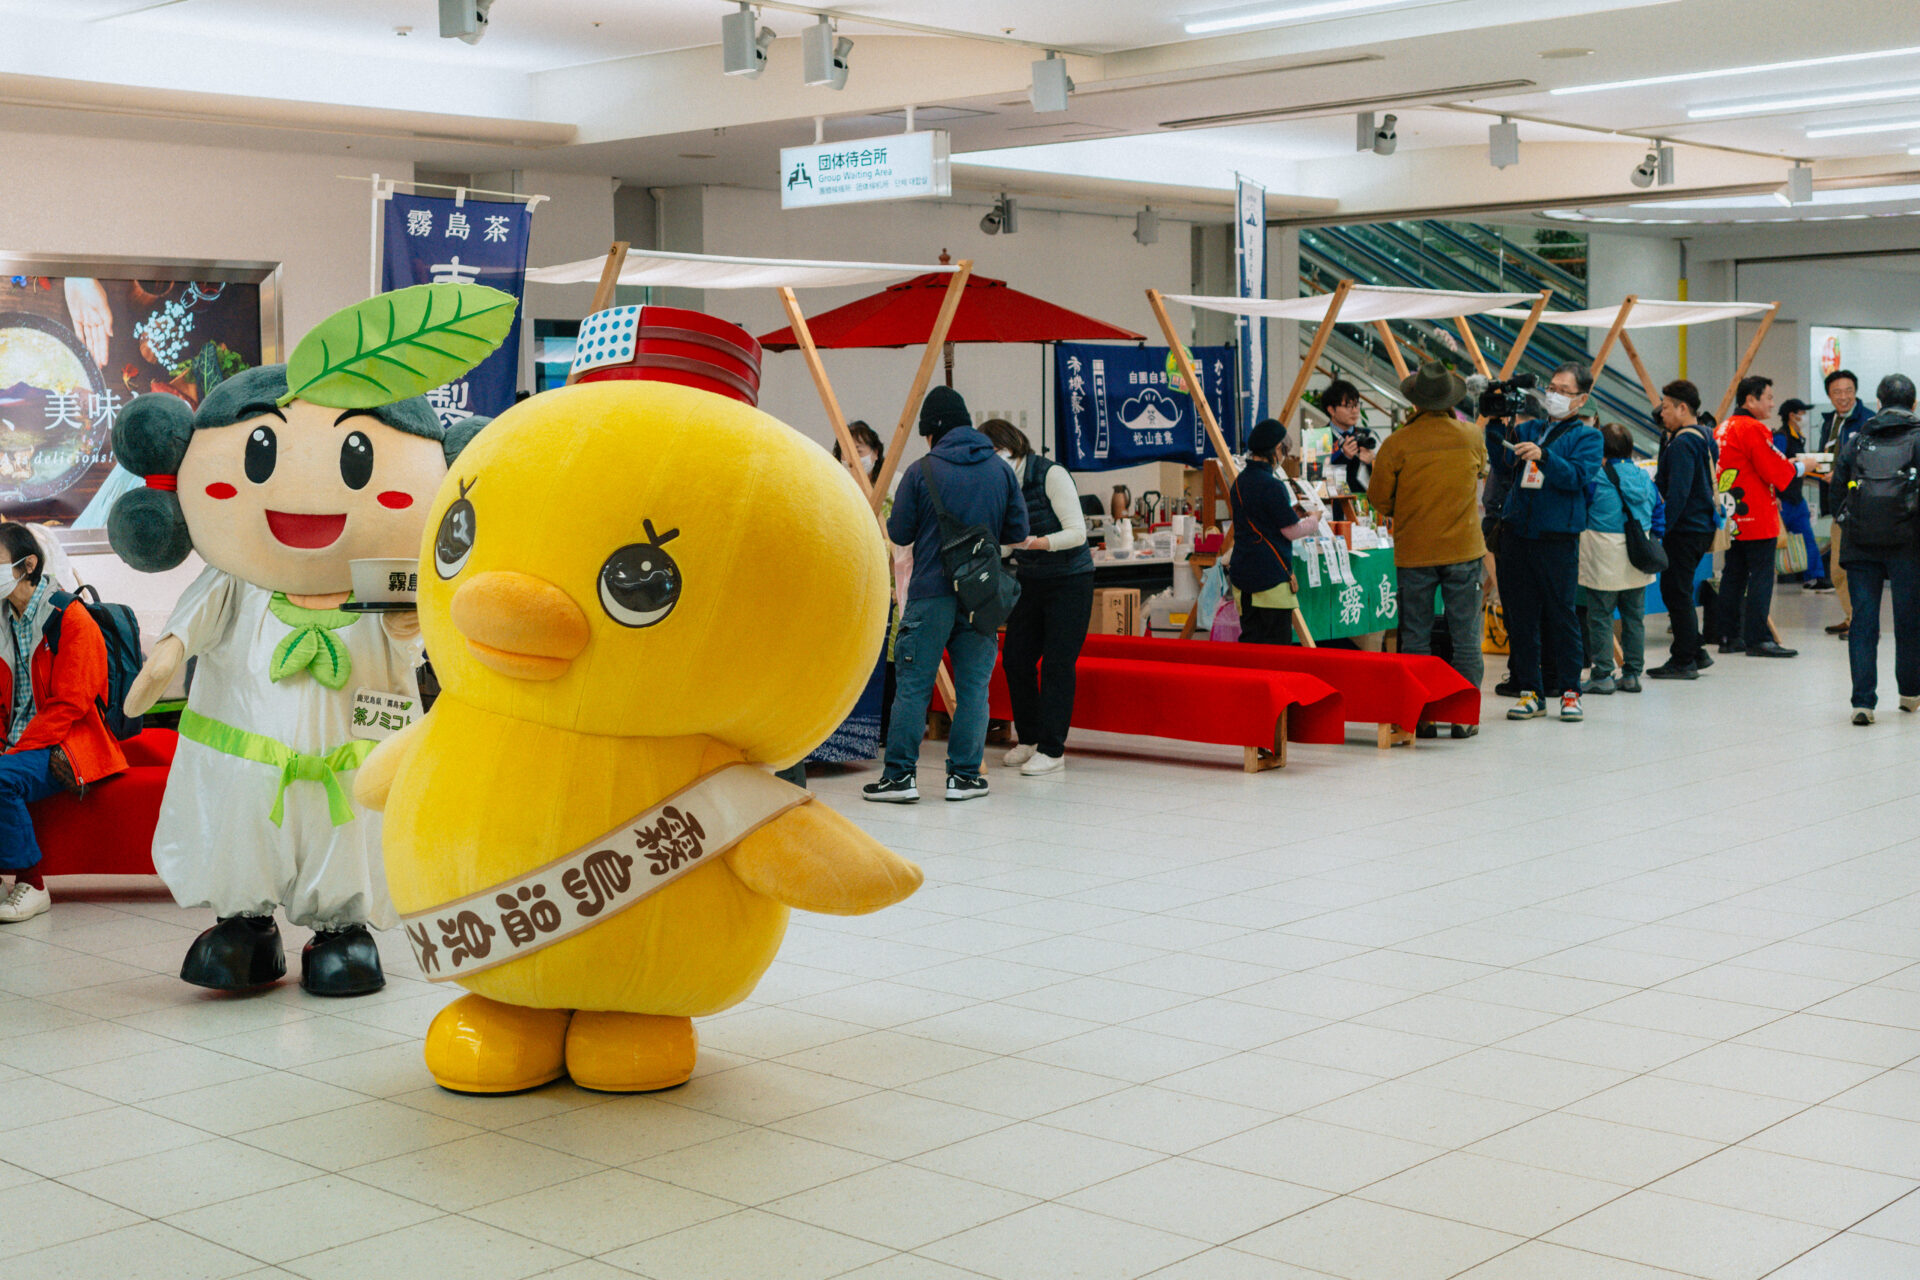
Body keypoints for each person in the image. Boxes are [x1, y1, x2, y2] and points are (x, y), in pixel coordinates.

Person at [866, 387, 1027, 804]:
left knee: (914, 686)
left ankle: (901, 778)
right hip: (980, 596)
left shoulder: (922, 471)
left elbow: (899, 532)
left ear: (932, 431)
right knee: (974, 687)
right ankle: (964, 777)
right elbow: (1018, 533)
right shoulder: (1000, 470)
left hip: (930, 591)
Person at [0, 523, 128, 923]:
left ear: (28, 565)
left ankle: (33, 883)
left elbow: (70, 704)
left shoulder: (69, 618)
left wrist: (18, 749)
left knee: (1, 778)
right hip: (16, 741)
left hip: (65, 743)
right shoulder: (3, 618)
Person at [1367, 361, 1487, 737]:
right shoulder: (1471, 437)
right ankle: (1463, 716)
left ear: (1415, 402)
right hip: (1464, 549)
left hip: (1415, 552)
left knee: (1415, 636)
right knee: (1466, 635)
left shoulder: (1397, 443)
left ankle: (1419, 715)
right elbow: (1481, 474)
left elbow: (1378, 500)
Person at [1488, 362, 1603, 723]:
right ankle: (1529, 691)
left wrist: (1546, 456)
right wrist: (1495, 421)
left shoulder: (1588, 437)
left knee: (1561, 616)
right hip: (1517, 534)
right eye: (1551, 387)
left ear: (1581, 399)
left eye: (1563, 391)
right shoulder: (1531, 427)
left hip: (1557, 538)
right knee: (1520, 617)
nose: (1553, 395)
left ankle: (1570, 691)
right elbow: (1502, 462)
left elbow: (1576, 478)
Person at [979, 419, 1092, 776]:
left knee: (1058, 664)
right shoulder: (1001, 482)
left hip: (1071, 579)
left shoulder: (1050, 474)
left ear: (1011, 448)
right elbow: (1007, 540)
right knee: (1015, 658)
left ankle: (1052, 748)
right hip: (1030, 579)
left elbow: (1077, 532)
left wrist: (1039, 542)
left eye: (994, 453)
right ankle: (1028, 739)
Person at [1832, 374, 1920, 724]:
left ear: (1879, 403)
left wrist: (1850, 524)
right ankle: (1910, 694)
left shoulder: (1857, 438)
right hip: (1908, 544)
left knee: (1863, 622)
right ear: (1913, 404)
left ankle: (1862, 703)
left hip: (1861, 543)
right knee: (1909, 621)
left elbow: (1837, 489)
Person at [1715, 375, 1807, 659]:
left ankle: (1729, 636)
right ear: (1750, 400)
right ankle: (1758, 638)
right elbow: (1774, 471)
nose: (1772, 403)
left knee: (1733, 574)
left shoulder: (1722, 428)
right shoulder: (1753, 429)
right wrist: (1802, 466)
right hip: (1754, 513)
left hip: (1731, 514)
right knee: (1761, 577)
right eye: (1767, 397)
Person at [1579, 424, 1663, 695]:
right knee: (1634, 617)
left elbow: (1580, 510)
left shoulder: (1595, 477)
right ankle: (1632, 675)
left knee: (1601, 616)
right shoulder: (1643, 477)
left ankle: (1602, 674)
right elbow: (1660, 511)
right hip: (1638, 554)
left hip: (1603, 552)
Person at [1648, 381, 1721, 680]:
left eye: (1666, 407)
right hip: (1700, 526)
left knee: (1675, 591)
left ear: (1682, 408)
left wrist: (1662, 529)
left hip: (1684, 529)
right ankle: (1696, 650)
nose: (1661, 413)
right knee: (1679, 589)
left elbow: (1677, 493)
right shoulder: (1703, 436)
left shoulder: (1681, 444)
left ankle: (1683, 660)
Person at [1228, 418, 1320, 645]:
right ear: (1277, 449)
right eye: (1284, 450)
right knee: (1277, 650)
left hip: (1243, 579)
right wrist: (1315, 519)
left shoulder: (1240, 481)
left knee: (1251, 646)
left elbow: (1261, 519)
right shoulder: (1272, 484)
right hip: (1270, 579)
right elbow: (1291, 532)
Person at [1819, 369, 1874, 637]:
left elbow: (1870, 464)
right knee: (1838, 567)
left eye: (1849, 391)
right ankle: (1852, 615)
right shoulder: (1832, 422)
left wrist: (1841, 476)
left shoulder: (1867, 421)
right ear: (1829, 396)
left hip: (1859, 507)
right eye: (1837, 392)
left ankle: (1859, 622)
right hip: (1839, 503)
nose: (1844, 397)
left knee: (1851, 566)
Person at [1774, 398, 1830, 590]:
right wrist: (1775, 496)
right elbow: (1776, 466)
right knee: (1773, 543)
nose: (1804, 417)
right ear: (1792, 415)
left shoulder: (1798, 437)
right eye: (1802, 413)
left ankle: (1816, 577)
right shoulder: (1781, 437)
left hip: (1797, 500)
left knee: (1808, 540)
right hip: (1782, 501)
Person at [1321, 379, 1375, 493]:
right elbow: (1315, 481)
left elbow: (1387, 475)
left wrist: (1372, 462)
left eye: (1357, 405)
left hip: (1365, 506)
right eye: (1348, 406)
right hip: (1333, 506)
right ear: (1331, 410)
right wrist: (1344, 458)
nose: (1355, 411)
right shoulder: (1320, 438)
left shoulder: (1368, 436)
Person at [831, 420, 886, 489]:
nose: (853, 459)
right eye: (847, 453)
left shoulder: (893, 482)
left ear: (875, 453)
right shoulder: (832, 485)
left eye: (859, 452)